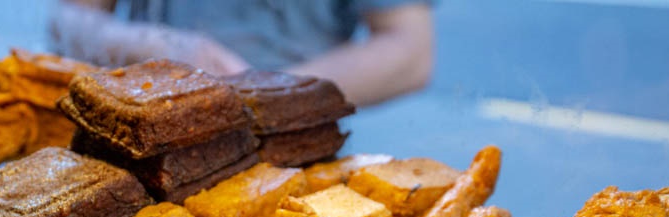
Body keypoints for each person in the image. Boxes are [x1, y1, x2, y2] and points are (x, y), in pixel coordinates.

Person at [49, 0, 435, 106]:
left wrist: (267, 94)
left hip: (284, 162)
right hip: (135, 138)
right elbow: (67, 19)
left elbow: (410, 52)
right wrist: (147, 46)